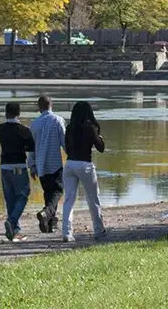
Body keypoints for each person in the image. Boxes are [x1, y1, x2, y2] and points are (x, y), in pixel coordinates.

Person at [62, 101, 107, 242]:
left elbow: (67, 149)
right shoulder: (90, 127)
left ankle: (67, 233)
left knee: (69, 200)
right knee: (93, 199)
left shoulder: (69, 128)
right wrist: (100, 138)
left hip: (69, 164)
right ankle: (98, 230)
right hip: (85, 165)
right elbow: (101, 148)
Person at [0, 102, 35, 242]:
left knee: (10, 198)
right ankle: (12, 221)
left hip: (4, 166)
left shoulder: (0, 128)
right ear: (18, 114)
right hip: (18, 166)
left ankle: (14, 231)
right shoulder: (23, 130)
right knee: (24, 193)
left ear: (5, 113)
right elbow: (31, 146)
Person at [29, 95, 66, 233]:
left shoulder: (34, 124)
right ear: (51, 105)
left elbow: (31, 148)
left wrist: (32, 166)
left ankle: (50, 224)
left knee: (48, 193)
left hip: (40, 165)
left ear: (39, 108)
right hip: (55, 163)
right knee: (57, 191)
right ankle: (46, 214)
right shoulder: (58, 120)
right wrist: (72, 155)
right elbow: (64, 142)